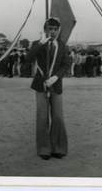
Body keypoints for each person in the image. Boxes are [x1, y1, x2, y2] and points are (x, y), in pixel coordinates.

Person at [25, 18, 70, 160]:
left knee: (57, 116)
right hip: (41, 84)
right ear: (45, 30)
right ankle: (44, 148)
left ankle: (58, 147)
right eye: (50, 29)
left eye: (56, 29)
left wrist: (56, 77)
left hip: (55, 85)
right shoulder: (38, 44)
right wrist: (41, 43)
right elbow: (28, 58)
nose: (53, 32)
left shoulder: (62, 46)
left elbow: (66, 64)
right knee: (42, 117)